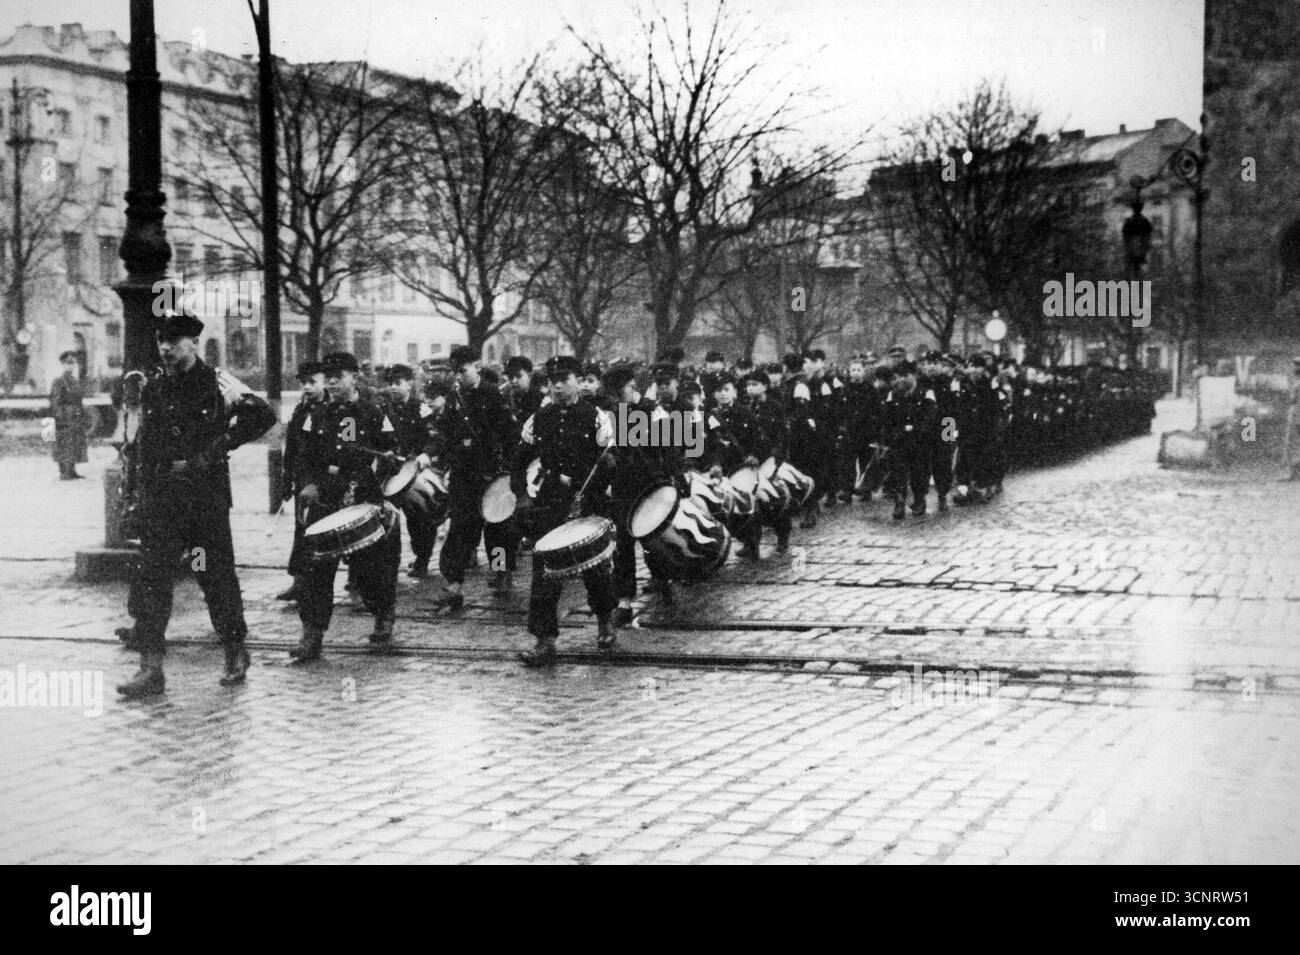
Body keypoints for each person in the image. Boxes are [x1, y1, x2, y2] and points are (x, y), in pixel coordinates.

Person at [116, 313, 275, 698]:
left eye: (174, 342)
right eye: (161, 343)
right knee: (154, 581)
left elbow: (263, 415)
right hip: (163, 504)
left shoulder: (217, 381)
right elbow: (143, 447)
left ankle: (235, 651)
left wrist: (220, 447)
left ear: (193, 343)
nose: (166, 349)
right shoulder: (154, 387)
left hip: (203, 505)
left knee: (215, 577)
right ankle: (150, 669)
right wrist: (135, 496)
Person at [289, 351, 402, 661]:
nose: (334, 382)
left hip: (363, 498)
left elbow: (392, 450)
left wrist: (383, 467)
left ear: (355, 377)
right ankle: (312, 635)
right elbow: (304, 456)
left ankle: (383, 616)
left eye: (340, 376)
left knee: (370, 572)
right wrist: (308, 483)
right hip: (326, 499)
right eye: (330, 377)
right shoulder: (319, 414)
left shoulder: (374, 412)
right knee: (316, 572)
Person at [512, 355, 617, 665]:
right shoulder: (539, 418)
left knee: (596, 567)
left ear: (577, 381)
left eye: (565, 379)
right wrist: (521, 495)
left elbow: (610, 457)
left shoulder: (596, 416)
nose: (558, 386)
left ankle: (605, 622)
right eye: (553, 381)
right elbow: (519, 459)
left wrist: (605, 471)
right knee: (544, 571)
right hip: (550, 502)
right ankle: (544, 640)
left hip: (587, 500)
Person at [432, 344, 519, 610]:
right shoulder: (453, 398)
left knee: (498, 530)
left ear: (477, 367)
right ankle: (454, 584)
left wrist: (508, 470)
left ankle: (502, 572)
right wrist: (442, 457)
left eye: (464, 371)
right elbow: (445, 433)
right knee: (460, 530)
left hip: (492, 473)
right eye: (455, 372)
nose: (458, 376)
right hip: (464, 474)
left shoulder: (493, 395)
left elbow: (509, 435)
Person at [382, 364, 445, 578]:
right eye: (390, 383)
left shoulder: (420, 408)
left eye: (397, 383)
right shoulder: (382, 409)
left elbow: (435, 437)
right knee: (386, 518)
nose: (393, 388)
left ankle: (422, 558)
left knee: (418, 515)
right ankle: (388, 565)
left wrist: (425, 455)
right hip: (389, 471)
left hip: (416, 470)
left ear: (409, 383)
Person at [277, 360, 326, 602]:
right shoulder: (300, 410)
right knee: (302, 532)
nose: (306, 387)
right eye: (303, 383)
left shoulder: (333, 409)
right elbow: (292, 449)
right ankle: (299, 582)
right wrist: (286, 479)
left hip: (326, 482)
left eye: (312, 382)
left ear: (324, 381)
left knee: (332, 534)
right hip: (303, 481)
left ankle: (355, 585)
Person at [880, 361, 938, 520]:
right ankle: (899, 503)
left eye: (906, 375)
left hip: (920, 441)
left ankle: (919, 500)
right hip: (899, 441)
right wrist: (890, 437)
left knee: (919, 472)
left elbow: (931, 417)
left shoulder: (926, 393)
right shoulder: (894, 394)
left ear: (914, 375)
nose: (902, 379)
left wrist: (917, 430)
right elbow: (887, 419)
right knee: (898, 473)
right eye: (900, 376)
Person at [50, 350, 91, 480]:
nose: (71, 366)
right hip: (64, 418)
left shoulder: (74, 381)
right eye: (68, 363)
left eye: (73, 363)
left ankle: (72, 470)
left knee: (75, 443)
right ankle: (64, 472)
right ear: (62, 364)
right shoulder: (59, 381)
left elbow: (79, 400)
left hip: (75, 417)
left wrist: (82, 415)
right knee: (63, 444)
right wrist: (60, 417)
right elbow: (55, 402)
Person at [1284, 357, 1300, 482]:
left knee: (1294, 446)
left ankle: (1295, 473)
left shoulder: (1297, 385)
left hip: (1297, 418)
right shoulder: (1296, 384)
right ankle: (1295, 473)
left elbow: (1293, 401)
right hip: (1296, 417)